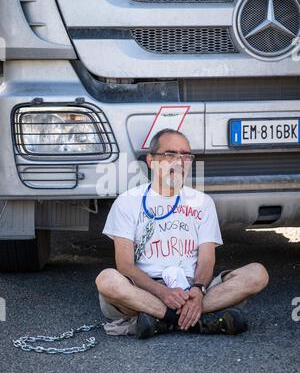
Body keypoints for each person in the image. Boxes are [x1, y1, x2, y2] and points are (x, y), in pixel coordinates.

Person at [95, 128, 269, 339]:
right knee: (107, 280)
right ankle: (196, 320)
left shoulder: (202, 202)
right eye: (170, 154)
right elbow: (125, 266)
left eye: (186, 155)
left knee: (257, 274)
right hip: (144, 289)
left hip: (190, 287)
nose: (180, 161)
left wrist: (198, 290)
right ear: (151, 160)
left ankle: (162, 320)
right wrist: (162, 292)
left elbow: (206, 259)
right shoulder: (127, 201)